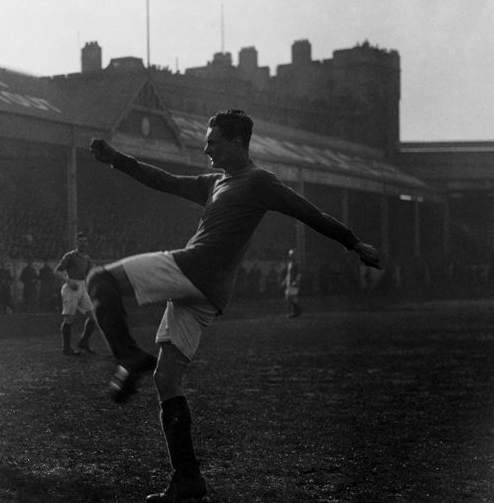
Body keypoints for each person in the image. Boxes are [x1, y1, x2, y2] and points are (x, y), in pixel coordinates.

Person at [87, 110, 381, 502]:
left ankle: (127, 358)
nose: (206, 147)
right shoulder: (215, 183)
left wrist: (352, 241)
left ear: (238, 143)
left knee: (98, 280)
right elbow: (165, 181)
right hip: (209, 294)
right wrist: (118, 159)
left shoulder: (259, 181)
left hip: (195, 269)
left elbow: (308, 211)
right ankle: (187, 481)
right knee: (167, 381)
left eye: (213, 141)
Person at [55, 232, 99, 355]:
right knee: (69, 318)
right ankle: (66, 348)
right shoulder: (70, 256)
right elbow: (57, 271)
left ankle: (84, 342)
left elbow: (91, 274)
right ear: (76, 243)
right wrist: (68, 281)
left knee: (93, 316)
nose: (83, 243)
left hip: (82, 286)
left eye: (85, 241)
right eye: (81, 241)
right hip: (71, 286)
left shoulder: (87, 258)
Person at [284, 248, 303, 318]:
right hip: (289, 282)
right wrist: (285, 281)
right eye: (290, 254)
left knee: (291, 297)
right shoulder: (290, 263)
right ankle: (298, 310)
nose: (290, 256)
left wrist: (296, 281)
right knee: (288, 297)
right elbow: (288, 273)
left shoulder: (297, 263)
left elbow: (299, 274)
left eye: (292, 254)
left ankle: (295, 312)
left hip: (294, 283)